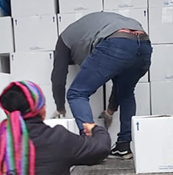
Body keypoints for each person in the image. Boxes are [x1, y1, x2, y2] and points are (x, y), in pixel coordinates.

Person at [51, 12, 152, 159]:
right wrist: (110, 111)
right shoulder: (88, 31)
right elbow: (117, 80)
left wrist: (60, 107)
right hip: (143, 43)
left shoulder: (64, 40)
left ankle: (93, 147)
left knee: (76, 93)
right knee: (126, 93)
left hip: (116, 40)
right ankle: (123, 146)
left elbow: (58, 77)